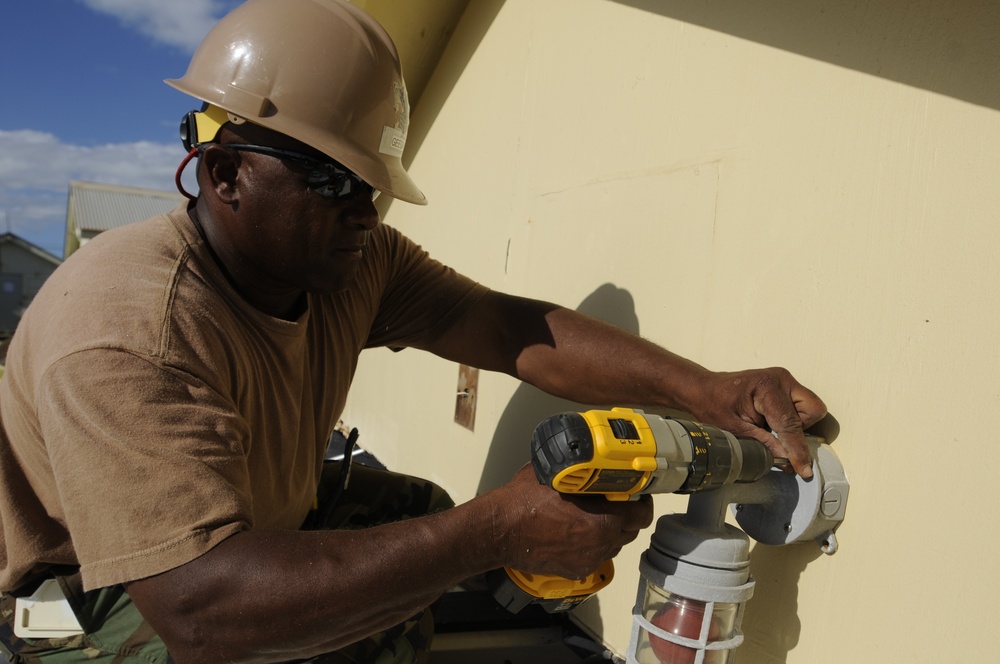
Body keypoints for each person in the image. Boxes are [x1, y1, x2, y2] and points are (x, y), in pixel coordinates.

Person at [0, 1, 827, 662]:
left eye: (373, 184)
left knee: (413, 513)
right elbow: (199, 611)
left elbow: (504, 327)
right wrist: (499, 528)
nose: (367, 213)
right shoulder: (126, 332)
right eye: (334, 181)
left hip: (236, 539)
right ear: (225, 175)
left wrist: (707, 391)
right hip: (97, 592)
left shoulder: (343, 258)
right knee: (330, 622)